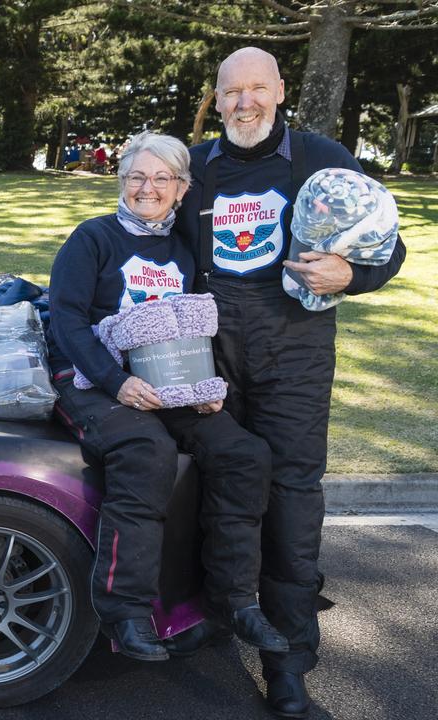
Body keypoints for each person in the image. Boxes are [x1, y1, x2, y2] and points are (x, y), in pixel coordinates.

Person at [173, 47, 407, 718]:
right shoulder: (198, 168)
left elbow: (388, 245)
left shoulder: (321, 157)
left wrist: (352, 276)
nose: (244, 102)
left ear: (279, 91)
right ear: (216, 101)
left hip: (296, 353)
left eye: (256, 88)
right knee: (214, 483)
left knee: (292, 499)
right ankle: (220, 613)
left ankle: (289, 663)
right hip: (212, 350)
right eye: (230, 92)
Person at [48, 131, 288, 663]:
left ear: (181, 188)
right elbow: (65, 321)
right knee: (146, 451)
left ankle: (233, 600)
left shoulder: (184, 250)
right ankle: (127, 612)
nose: (147, 188)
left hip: (169, 382)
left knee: (244, 454)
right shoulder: (92, 239)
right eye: (136, 176)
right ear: (121, 181)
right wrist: (116, 382)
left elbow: (193, 327)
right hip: (93, 381)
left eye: (161, 178)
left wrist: (204, 386)